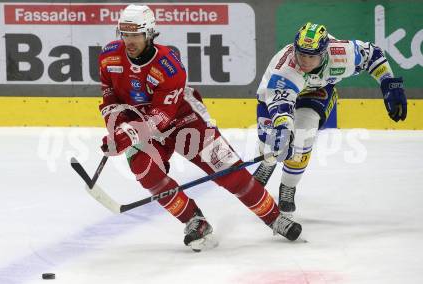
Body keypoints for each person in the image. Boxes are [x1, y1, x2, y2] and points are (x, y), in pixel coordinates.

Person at [98, 4, 302, 252]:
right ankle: (194, 220)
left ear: (150, 33)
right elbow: (109, 97)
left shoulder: (168, 65)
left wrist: (128, 134)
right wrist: (116, 127)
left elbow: (162, 116)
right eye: (125, 34)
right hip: (143, 127)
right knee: (144, 170)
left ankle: (273, 217)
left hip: (185, 121)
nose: (129, 41)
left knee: (230, 173)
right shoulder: (109, 56)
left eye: (136, 34)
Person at [253, 22, 407, 214]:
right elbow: (281, 106)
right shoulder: (285, 70)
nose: (305, 61)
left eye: (311, 56)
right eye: (301, 54)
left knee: (303, 139)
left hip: (316, 91)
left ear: (325, 53)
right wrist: (283, 128)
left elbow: (373, 54)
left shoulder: (342, 53)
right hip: (273, 94)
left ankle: (288, 187)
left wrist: (389, 84)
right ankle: (267, 163)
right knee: (272, 144)